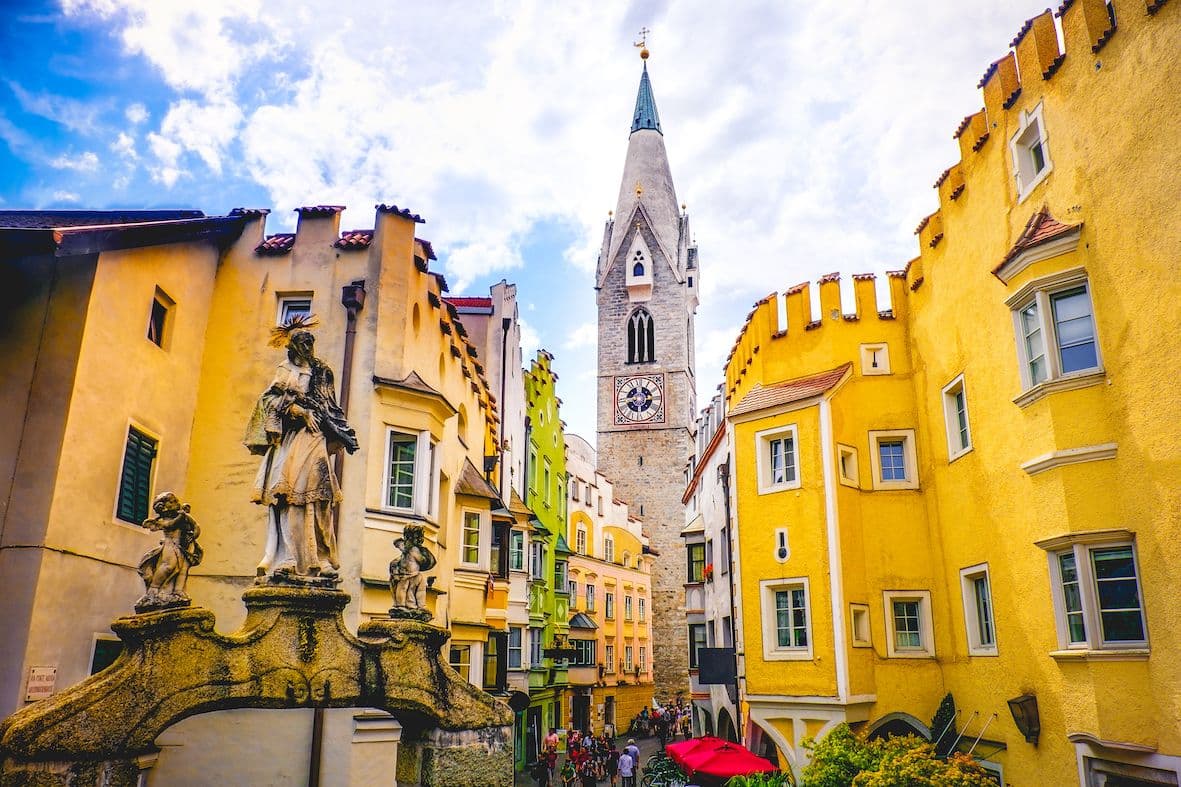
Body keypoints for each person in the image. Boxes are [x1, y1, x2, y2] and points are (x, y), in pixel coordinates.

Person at [246, 317, 358, 581]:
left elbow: (330, 407)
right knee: (289, 497)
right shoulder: (285, 370)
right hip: (290, 440)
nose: (308, 347)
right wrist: (298, 411)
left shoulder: (322, 372)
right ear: (293, 346)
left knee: (320, 498)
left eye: (310, 342)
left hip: (315, 438)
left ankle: (321, 558)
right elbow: (269, 401)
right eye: (303, 342)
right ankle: (289, 557)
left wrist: (340, 432)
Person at [136, 492, 203, 610]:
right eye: (173, 502)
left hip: (182, 547)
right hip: (169, 545)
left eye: (176, 501)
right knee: (168, 566)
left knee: (183, 569)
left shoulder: (183, 516)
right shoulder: (163, 520)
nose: (177, 503)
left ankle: (178, 591)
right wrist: (182, 515)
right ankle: (153, 589)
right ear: (163, 508)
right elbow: (170, 525)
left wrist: (193, 535)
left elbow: (196, 525)